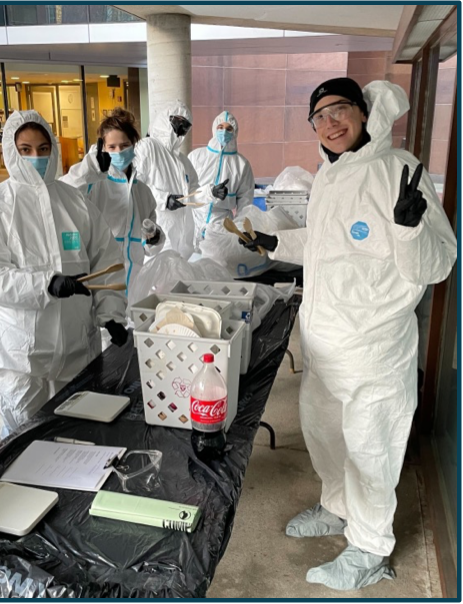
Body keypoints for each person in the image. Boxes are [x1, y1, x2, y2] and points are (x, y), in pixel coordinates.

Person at [239, 78, 457, 590]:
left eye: (339, 109)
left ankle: (369, 547)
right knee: (325, 436)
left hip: (374, 347)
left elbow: (439, 264)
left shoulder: (399, 170)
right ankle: (337, 508)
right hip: (325, 344)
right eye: (319, 115)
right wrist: (276, 242)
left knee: (371, 451)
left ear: (365, 112)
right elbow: (324, 241)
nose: (330, 122)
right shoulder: (332, 173)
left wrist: (409, 229)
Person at [0, 110, 129, 438]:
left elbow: (105, 258)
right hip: (23, 361)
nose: (36, 157)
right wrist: (46, 284)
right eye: (25, 150)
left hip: (77, 353)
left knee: (79, 440)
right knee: (24, 445)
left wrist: (110, 314)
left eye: (43, 148)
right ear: (10, 152)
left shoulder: (74, 202)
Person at [60, 108, 165, 294]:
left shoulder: (143, 192)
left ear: (134, 145)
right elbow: (62, 193)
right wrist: (90, 168)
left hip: (133, 279)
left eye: (124, 146)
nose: (118, 152)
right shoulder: (93, 183)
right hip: (100, 278)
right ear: (102, 148)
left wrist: (154, 237)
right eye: (112, 147)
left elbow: (147, 241)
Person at [133, 100, 199, 259]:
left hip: (182, 242)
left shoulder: (183, 161)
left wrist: (211, 193)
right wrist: (164, 199)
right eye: (178, 122)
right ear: (165, 119)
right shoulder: (148, 147)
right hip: (157, 236)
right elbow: (135, 188)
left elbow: (195, 192)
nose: (180, 129)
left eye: (185, 126)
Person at [189, 110, 254, 249]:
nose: (224, 132)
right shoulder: (196, 157)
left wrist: (239, 230)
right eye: (220, 127)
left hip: (222, 225)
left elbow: (245, 201)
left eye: (229, 128)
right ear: (214, 129)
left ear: (235, 132)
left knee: (217, 266)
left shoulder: (242, 164)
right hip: (194, 220)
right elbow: (186, 192)